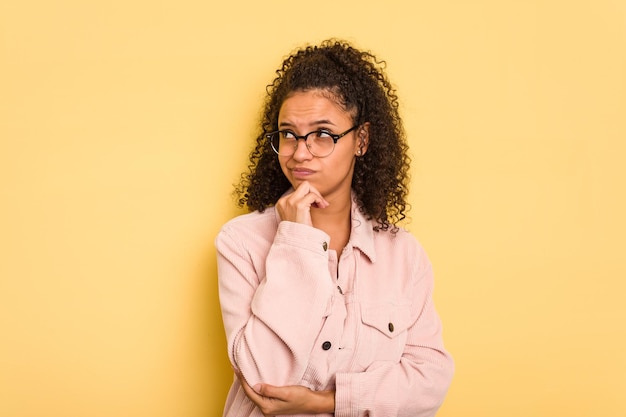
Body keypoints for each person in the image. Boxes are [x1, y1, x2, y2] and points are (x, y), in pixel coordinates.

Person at [215, 39, 454, 417]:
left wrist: (328, 401)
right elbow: (264, 378)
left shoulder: (403, 254)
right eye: (288, 134)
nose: (300, 152)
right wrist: (296, 241)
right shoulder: (241, 241)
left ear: (361, 140)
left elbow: (429, 380)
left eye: (323, 134)